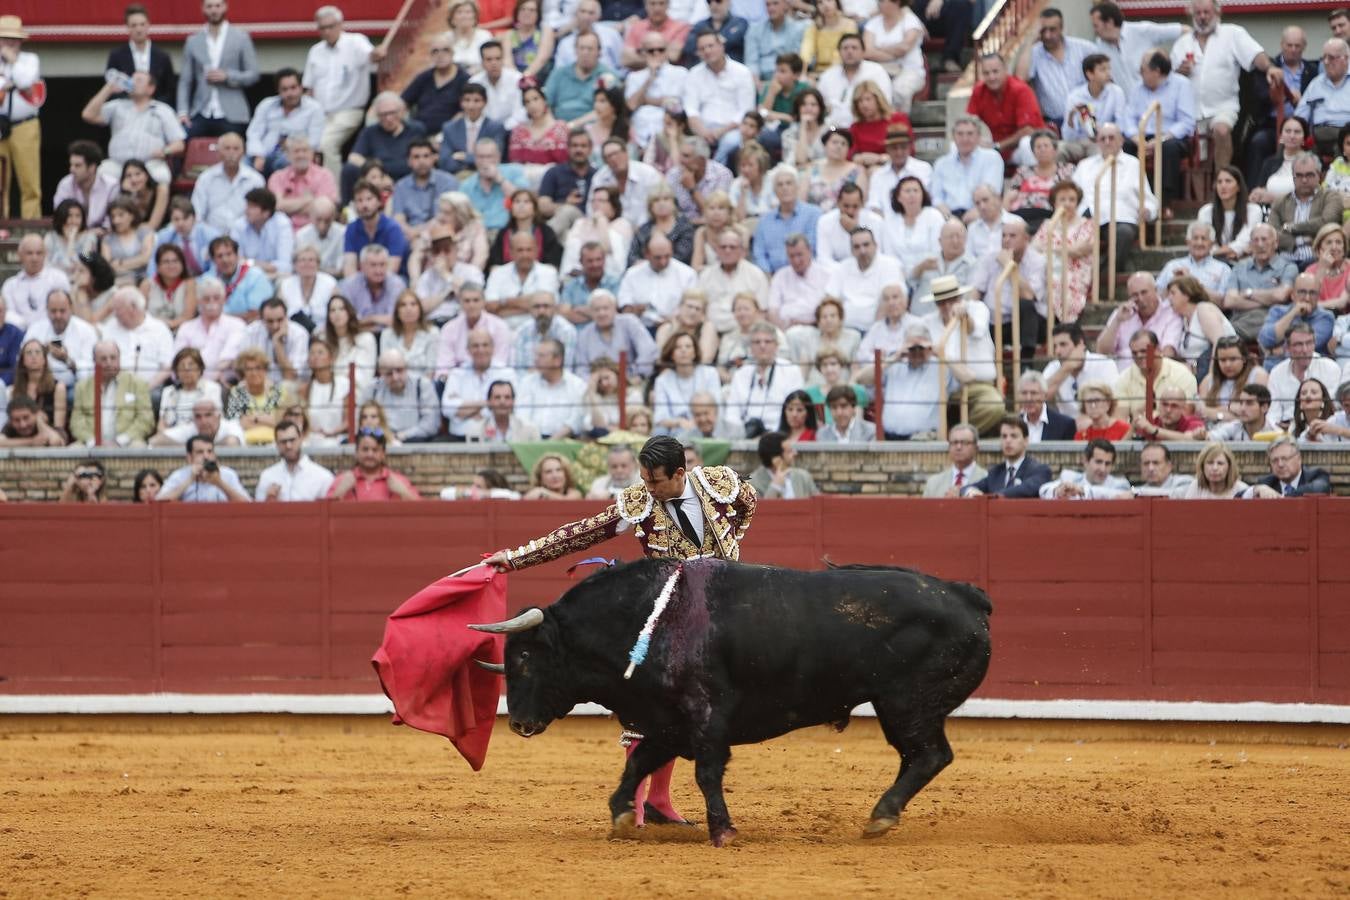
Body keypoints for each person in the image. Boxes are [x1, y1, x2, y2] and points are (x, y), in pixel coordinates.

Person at [482, 433, 757, 827]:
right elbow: (581, 533)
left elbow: (749, 505)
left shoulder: (719, 484)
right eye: (644, 479)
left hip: (724, 612)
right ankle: (640, 807)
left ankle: (658, 801)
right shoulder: (639, 501)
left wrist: (728, 550)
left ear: (680, 473)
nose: (647, 488)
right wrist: (515, 558)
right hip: (670, 618)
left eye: (655, 481)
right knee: (648, 702)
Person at [304, 6, 383, 178]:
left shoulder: (355, 42)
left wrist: (377, 53)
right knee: (304, 145)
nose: (327, 31)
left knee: (325, 144)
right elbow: (309, 88)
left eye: (331, 26)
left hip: (349, 111)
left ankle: (335, 193)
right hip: (320, 114)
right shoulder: (315, 51)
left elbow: (371, 55)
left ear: (340, 24)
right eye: (322, 28)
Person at [1071, 124, 1158, 274]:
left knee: (1124, 233)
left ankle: (1102, 274)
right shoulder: (1085, 165)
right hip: (1089, 214)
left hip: (1122, 216)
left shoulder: (1133, 164)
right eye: (1102, 138)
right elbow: (1072, 194)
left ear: (1121, 141)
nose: (1107, 142)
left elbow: (1149, 199)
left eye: (1111, 138)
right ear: (1097, 142)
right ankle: (1080, 274)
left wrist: (1148, 211)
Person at [81, 71, 185, 187]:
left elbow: (179, 144)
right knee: (103, 173)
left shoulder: (163, 110)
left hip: (149, 164)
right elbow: (88, 115)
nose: (132, 82)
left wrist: (165, 151)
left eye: (139, 80)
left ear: (151, 88)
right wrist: (108, 89)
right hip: (118, 164)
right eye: (131, 79)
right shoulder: (117, 106)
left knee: (162, 175)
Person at [177, 0, 258, 138]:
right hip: (201, 111)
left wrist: (227, 76)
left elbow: (253, 74)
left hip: (232, 113)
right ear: (203, 9)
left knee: (233, 150)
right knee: (181, 140)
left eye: (217, 6)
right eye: (209, 6)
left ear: (225, 7)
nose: (214, 10)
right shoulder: (193, 41)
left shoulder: (241, 38)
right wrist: (183, 112)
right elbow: (185, 81)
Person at [971, 217, 1046, 363]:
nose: (1006, 240)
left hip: (1024, 323)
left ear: (1026, 238)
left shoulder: (1037, 260)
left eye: (1012, 236)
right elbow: (976, 291)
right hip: (994, 321)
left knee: (1025, 306)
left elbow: (1029, 295)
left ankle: (1026, 362)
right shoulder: (990, 258)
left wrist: (1009, 267)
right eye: (1004, 235)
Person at [1015, 7, 1093, 131]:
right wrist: (1030, 40)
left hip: (1086, 116)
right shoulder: (1034, 53)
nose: (1047, 35)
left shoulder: (1085, 48)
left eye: (1052, 30)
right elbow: (1019, 79)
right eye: (1043, 30)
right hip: (1054, 122)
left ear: (1061, 28)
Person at [68, 340, 154, 447]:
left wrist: (120, 441)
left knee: (138, 447)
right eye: (103, 359)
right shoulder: (82, 387)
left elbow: (146, 419)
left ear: (119, 359)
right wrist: (93, 441)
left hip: (127, 441)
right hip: (92, 443)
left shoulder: (137, 384)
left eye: (113, 358)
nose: (109, 363)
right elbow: (77, 422)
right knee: (73, 450)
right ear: (94, 361)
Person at [243, 68, 324, 177]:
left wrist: (295, 150)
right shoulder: (266, 105)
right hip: (264, 154)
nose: (290, 93)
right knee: (243, 165)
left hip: (293, 155)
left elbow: (314, 141)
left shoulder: (314, 108)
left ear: (301, 87)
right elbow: (253, 133)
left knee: (284, 162)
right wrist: (258, 154)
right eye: (284, 89)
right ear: (278, 91)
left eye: (293, 88)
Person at [1269, 153, 1344, 270]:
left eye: (1309, 175)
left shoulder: (1331, 197)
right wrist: (1302, 240)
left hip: (1318, 259)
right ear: (1293, 176)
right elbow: (1271, 234)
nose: (1304, 180)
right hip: (1284, 260)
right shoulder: (1280, 202)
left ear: (1319, 175)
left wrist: (1292, 227)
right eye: (1299, 175)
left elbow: (1326, 223)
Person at [968, 53, 1045, 167]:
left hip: (1018, 149)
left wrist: (997, 146)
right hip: (994, 148)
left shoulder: (1021, 90)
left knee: (1026, 143)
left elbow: (1027, 131)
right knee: (960, 143)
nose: (991, 77)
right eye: (986, 73)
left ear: (1005, 70)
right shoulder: (979, 90)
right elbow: (969, 122)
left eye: (995, 71)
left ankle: (1034, 183)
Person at [1223, 223, 1296, 342]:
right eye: (1255, 240)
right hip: (1241, 320)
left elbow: (1281, 296)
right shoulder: (1239, 267)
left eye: (1264, 239)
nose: (1260, 244)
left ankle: (1228, 336)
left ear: (1276, 243)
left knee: (1224, 336)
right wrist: (1269, 301)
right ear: (1250, 245)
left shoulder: (1288, 267)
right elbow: (1230, 301)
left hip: (1271, 321)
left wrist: (1248, 293)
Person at [0, 17, 43, 218]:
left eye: (14, 39)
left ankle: (31, 231)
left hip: (25, 125)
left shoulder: (29, 60)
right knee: (1, 185)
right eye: (5, 38)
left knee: (30, 183)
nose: (10, 43)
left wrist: (12, 61)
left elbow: (26, 81)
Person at [1095, 272, 1182, 370]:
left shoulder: (1170, 314)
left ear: (1156, 290)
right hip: (1122, 376)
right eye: (1135, 295)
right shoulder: (1122, 313)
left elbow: (1168, 353)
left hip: (1154, 374)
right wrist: (1117, 321)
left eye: (1144, 292)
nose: (1140, 298)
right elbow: (1101, 351)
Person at [1266, 322, 1343, 428]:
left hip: (1323, 428)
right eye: (1298, 344)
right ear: (1287, 348)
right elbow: (1273, 414)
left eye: (1309, 343)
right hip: (1284, 431)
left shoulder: (1330, 368)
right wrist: (1279, 431)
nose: (1305, 350)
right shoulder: (1276, 373)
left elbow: (1332, 408)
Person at [1113, 329, 1199, 421]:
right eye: (1134, 353)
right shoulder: (1124, 378)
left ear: (1157, 349)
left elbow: (1186, 415)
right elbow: (1119, 419)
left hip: (1173, 432)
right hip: (1137, 432)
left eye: (1143, 351)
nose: (1138, 356)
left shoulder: (1181, 374)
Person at [929, 117, 1004, 221]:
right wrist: (946, 214)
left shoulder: (991, 158)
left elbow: (992, 192)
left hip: (981, 214)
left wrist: (976, 212)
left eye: (970, 134)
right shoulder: (941, 163)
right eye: (960, 134)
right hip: (948, 217)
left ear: (978, 137)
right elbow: (936, 197)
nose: (965, 139)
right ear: (953, 137)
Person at [190, 132, 264, 235]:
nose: (231, 153)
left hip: (246, 236)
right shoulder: (206, 178)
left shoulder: (255, 180)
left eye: (236, 148)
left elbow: (261, 215)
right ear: (218, 152)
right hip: (212, 238)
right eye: (227, 148)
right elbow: (197, 213)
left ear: (243, 152)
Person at [21, 289, 98, 389]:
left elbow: (89, 373)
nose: (58, 316)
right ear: (47, 310)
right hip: (40, 386)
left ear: (71, 308)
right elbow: (21, 361)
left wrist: (67, 360)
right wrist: (42, 352)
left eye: (62, 311)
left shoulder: (86, 331)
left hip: (74, 388)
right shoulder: (35, 329)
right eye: (53, 311)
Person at [1042, 322, 1118, 420]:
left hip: (1098, 424)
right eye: (1055, 346)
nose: (1057, 351)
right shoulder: (1054, 367)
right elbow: (1039, 397)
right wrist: (1067, 368)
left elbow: (1114, 403)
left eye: (1063, 345)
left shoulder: (1104, 364)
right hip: (1067, 428)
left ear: (1080, 344)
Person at [1059, 53, 1127, 161]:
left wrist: (1105, 131)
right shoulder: (1075, 96)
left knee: (1099, 152)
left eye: (1109, 69)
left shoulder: (1116, 92)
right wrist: (1071, 116)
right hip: (1079, 142)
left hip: (1104, 141)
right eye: (1103, 70)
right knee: (1059, 149)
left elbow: (1122, 124)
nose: (1108, 73)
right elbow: (1067, 137)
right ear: (1090, 74)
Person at [962, 416, 1051, 498]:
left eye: (1014, 436)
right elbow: (966, 488)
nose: (1008, 441)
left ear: (1026, 441)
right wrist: (971, 492)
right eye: (1004, 436)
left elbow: (1024, 489)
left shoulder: (1039, 470)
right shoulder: (996, 472)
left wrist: (995, 496)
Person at [517, 338, 588, 437]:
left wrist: (555, 440)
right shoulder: (527, 382)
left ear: (557, 360)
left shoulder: (577, 385)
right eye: (536, 355)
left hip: (566, 441)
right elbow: (522, 415)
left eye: (541, 356)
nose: (536, 359)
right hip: (532, 440)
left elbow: (576, 419)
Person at [107, 5, 176, 105]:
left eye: (142, 24)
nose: (138, 29)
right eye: (134, 25)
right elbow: (110, 88)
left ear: (148, 25)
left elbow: (170, 90)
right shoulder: (116, 56)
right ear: (127, 27)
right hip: (125, 113)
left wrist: (154, 106)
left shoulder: (163, 57)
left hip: (155, 112)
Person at [2, 236, 72, 332]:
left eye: (39, 253)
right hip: (21, 335)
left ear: (45, 255)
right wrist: (30, 328)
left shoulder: (58, 279)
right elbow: (8, 315)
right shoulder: (10, 285)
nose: (34, 258)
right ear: (20, 255)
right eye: (29, 253)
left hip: (53, 333)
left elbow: (65, 310)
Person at [157, 432, 252, 502]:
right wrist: (189, 480)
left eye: (210, 451)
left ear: (214, 455)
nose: (206, 456)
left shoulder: (228, 474)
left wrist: (219, 483)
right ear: (189, 458)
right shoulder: (180, 475)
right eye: (200, 452)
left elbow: (248, 504)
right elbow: (159, 501)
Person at [254, 419, 335, 500]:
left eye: (292, 440)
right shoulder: (267, 476)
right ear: (277, 444)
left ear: (301, 439)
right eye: (283, 442)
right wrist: (269, 498)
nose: (288, 445)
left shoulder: (323, 477)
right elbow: (258, 510)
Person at [1294, 38, 1350, 155]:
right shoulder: (1316, 84)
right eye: (1323, 57)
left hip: (1345, 134)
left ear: (1345, 58)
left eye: (1331, 58)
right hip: (1317, 135)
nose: (1326, 62)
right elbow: (1300, 116)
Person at [52, 142, 118, 232]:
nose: (72, 170)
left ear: (92, 167)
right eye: (71, 165)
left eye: (77, 166)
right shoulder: (65, 184)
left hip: (103, 237)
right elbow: (60, 216)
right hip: (71, 235)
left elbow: (113, 220)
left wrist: (96, 233)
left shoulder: (111, 186)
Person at [1038, 438, 1131, 500]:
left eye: (1108, 464)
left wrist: (1082, 491)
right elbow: (1043, 490)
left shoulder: (1120, 484)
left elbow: (1120, 495)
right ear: (1085, 461)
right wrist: (1057, 491)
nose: (1103, 469)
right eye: (1098, 462)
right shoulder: (1070, 478)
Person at [1245, 435, 1332, 497]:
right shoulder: (1267, 483)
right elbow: (1238, 496)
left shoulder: (1316, 475)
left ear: (1299, 459)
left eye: (1285, 459)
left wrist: (1282, 498)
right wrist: (1255, 489)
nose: (1280, 464)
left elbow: (1319, 489)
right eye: (1275, 460)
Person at [748, 430, 818, 498]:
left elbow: (818, 504)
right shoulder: (753, 484)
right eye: (789, 451)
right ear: (776, 459)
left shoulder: (803, 477)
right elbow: (761, 509)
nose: (795, 453)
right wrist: (775, 487)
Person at [922, 424, 985, 497]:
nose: (958, 447)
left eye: (964, 443)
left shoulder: (987, 479)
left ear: (976, 448)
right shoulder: (933, 483)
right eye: (954, 443)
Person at [1171, 441, 1247, 499]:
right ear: (1202, 466)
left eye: (1220, 463)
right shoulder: (1196, 486)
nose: (1215, 468)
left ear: (1229, 466)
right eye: (1210, 463)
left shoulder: (1242, 489)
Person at [1016, 371, 1074, 441]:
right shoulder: (1014, 425)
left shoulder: (1064, 424)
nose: (1028, 398)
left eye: (1034, 393)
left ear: (1045, 396)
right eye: (1024, 393)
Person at [0, 395, 64, 447]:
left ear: (36, 414)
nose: (23, 425)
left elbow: (55, 442)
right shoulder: (9, 426)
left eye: (26, 418)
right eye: (17, 420)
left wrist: (40, 421)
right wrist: (32, 441)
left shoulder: (48, 424)